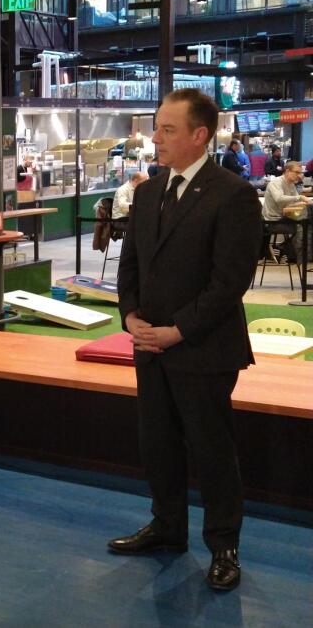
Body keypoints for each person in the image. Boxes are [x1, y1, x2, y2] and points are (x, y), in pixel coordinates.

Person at [112, 88, 261, 592]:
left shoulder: (232, 194)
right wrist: (130, 316)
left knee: (211, 448)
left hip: (202, 349)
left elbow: (229, 282)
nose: (156, 138)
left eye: (167, 129)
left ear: (200, 135)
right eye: (157, 127)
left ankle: (224, 546)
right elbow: (130, 263)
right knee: (158, 444)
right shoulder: (150, 190)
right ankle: (167, 527)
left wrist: (178, 330)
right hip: (149, 345)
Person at [262, 161, 312, 263]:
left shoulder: (291, 185)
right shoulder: (276, 183)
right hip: (273, 221)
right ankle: (295, 255)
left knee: (308, 220)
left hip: (284, 217)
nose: (299, 175)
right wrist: (300, 197)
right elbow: (279, 198)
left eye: (300, 173)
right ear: (287, 171)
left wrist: (305, 203)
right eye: (297, 172)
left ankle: (288, 250)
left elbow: (291, 204)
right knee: (303, 225)